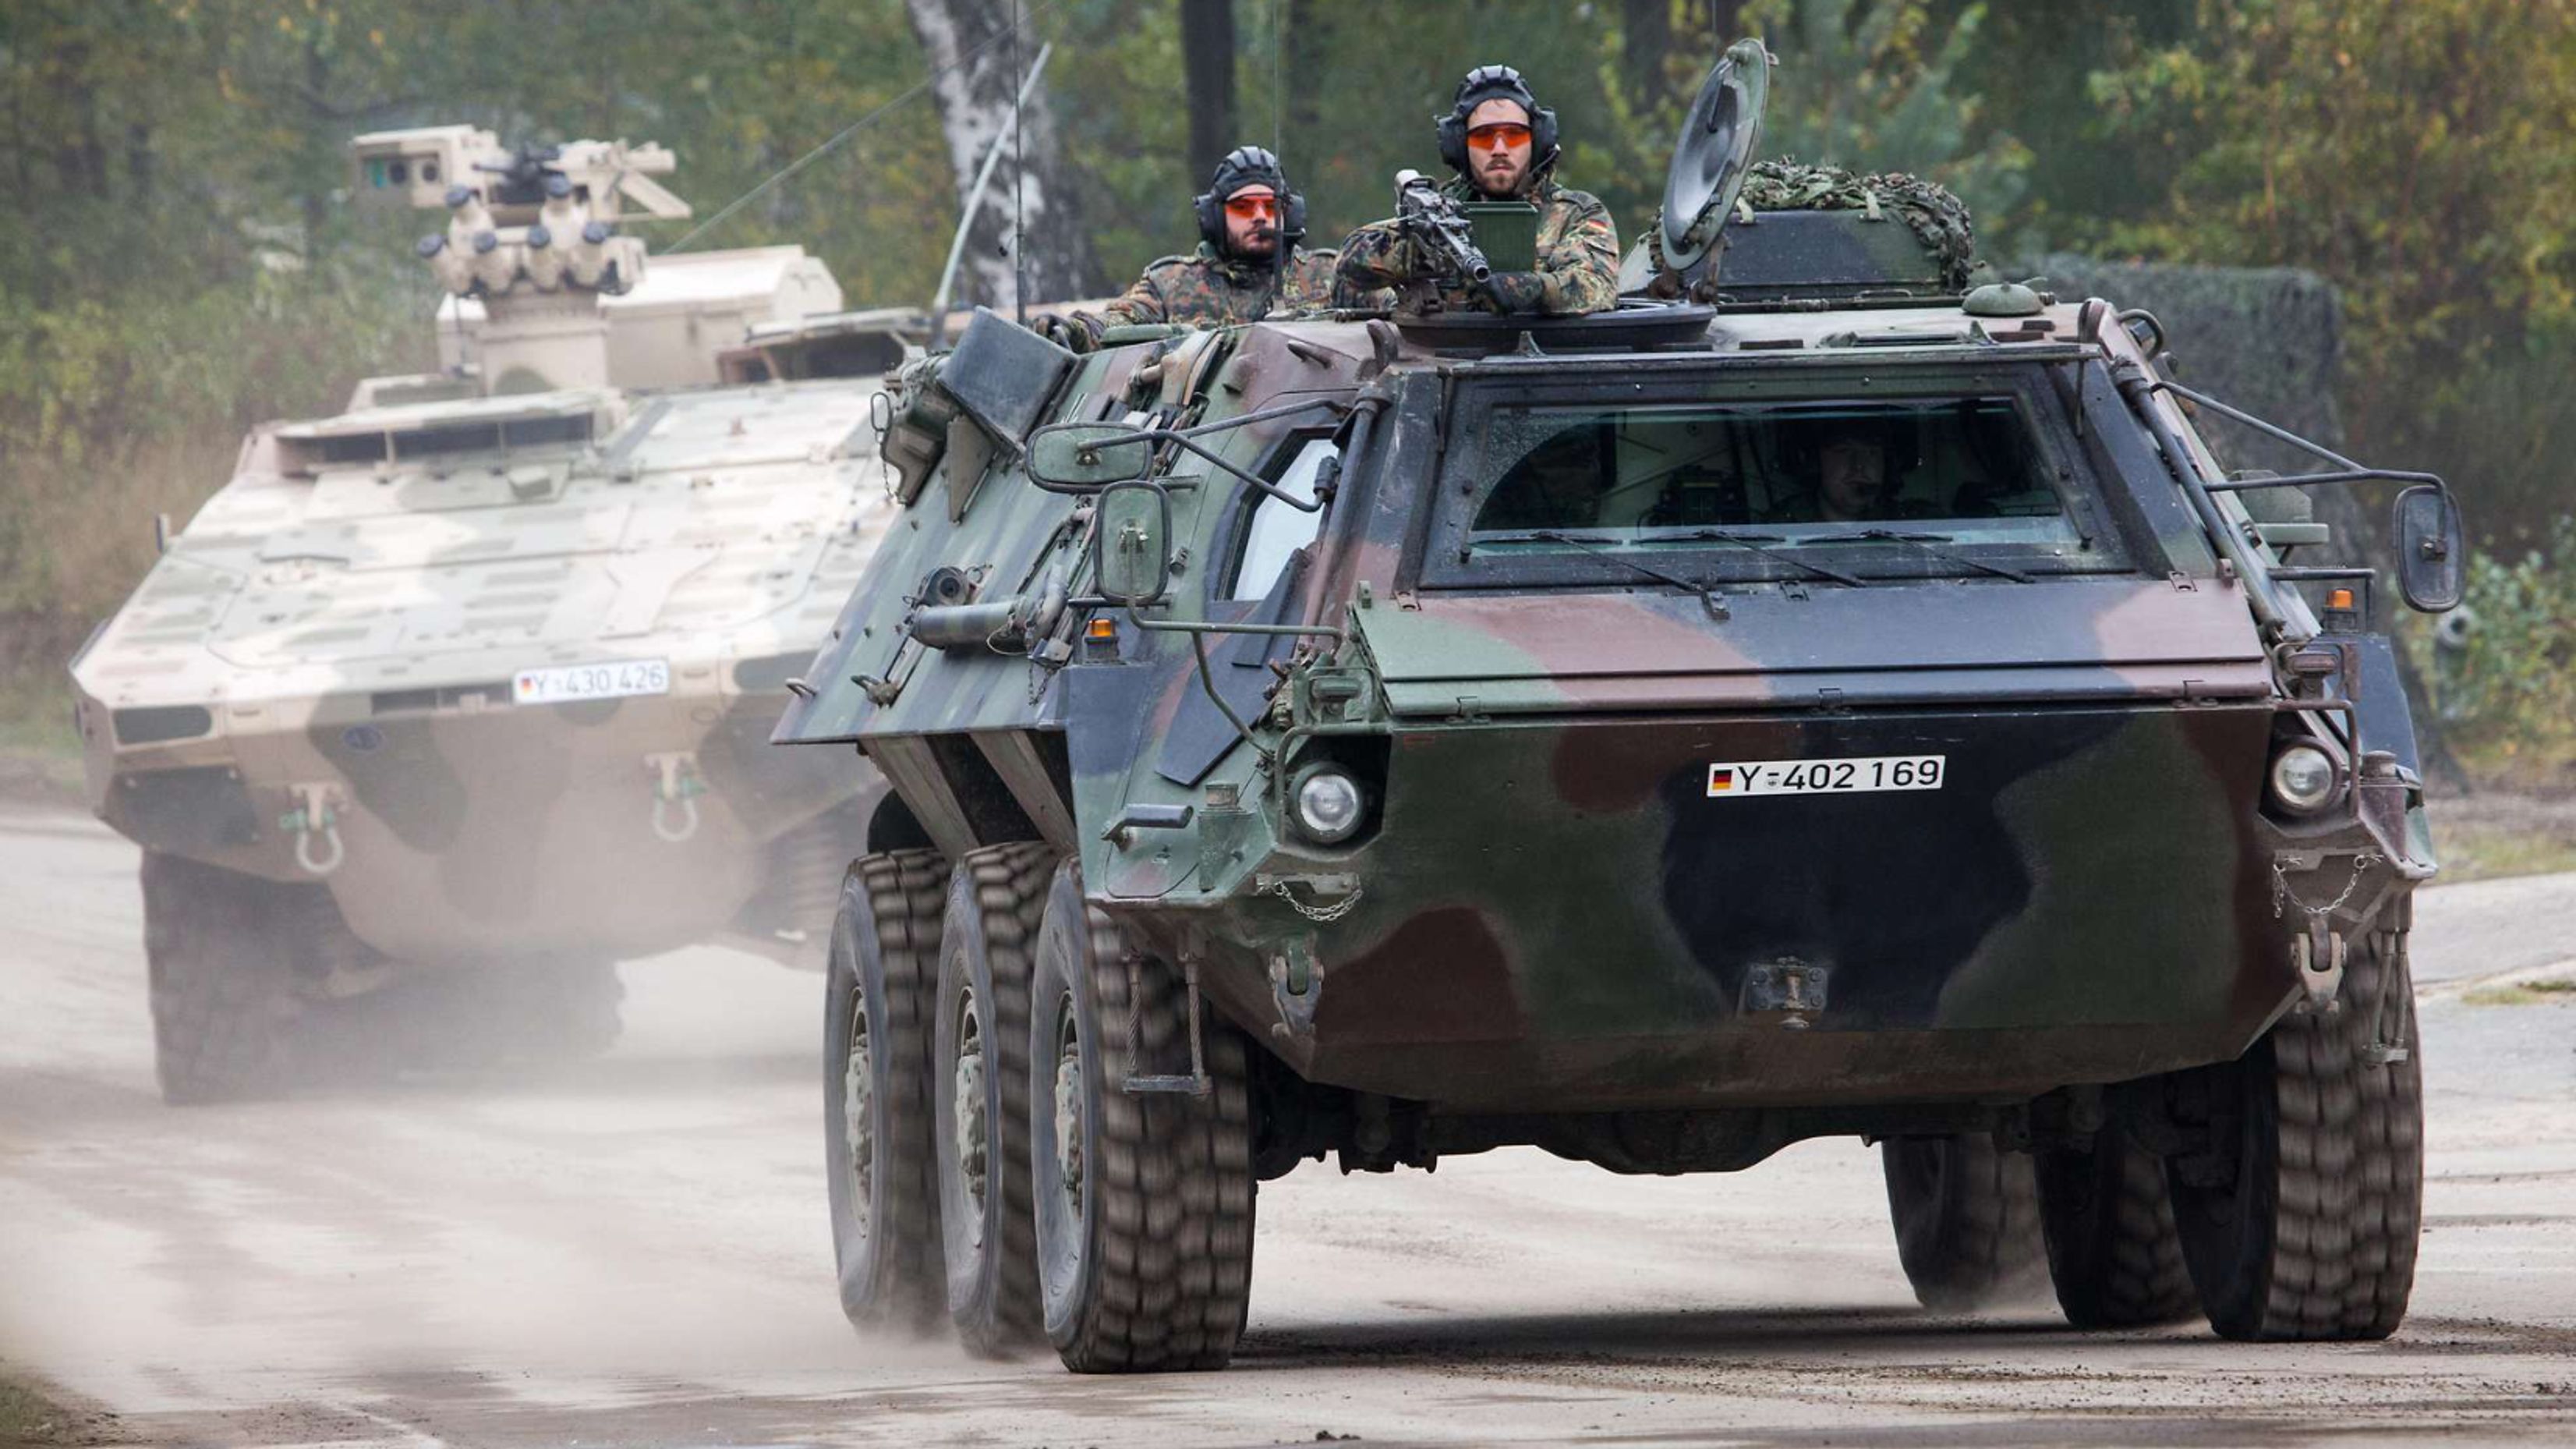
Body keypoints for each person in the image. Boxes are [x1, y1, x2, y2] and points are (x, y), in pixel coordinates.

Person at [1334, 66, 1619, 317]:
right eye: (1483, 137)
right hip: (1445, 358)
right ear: (1460, 145)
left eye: (1514, 135)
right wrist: (1420, 252)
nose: (1499, 149)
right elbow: (1349, 264)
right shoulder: (1440, 212)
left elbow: (1596, 287)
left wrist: (1528, 290)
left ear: (1537, 140)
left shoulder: (1574, 213)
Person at [1039, 146, 1334, 351]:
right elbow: (1117, 326)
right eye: (1243, 207)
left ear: (1289, 213)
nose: (1259, 216)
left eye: (1271, 206)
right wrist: (1074, 332)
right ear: (1216, 217)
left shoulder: (1330, 276)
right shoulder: (1171, 284)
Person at [1770, 432, 1895, 524]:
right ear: (1816, 462)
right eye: (1843, 450)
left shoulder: (1904, 520)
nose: (1859, 466)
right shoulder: (1782, 523)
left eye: (1872, 452)